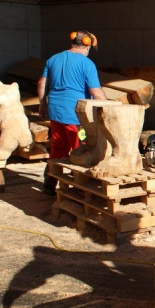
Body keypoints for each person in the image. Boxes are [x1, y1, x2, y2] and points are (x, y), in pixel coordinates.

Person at [37, 30, 106, 195]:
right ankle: (80, 188)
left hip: (55, 111)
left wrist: (42, 104)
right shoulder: (87, 63)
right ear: (87, 46)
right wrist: (108, 108)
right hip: (76, 115)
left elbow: (41, 83)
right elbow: (96, 93)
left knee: (58, 146)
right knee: (81, 150)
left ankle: (49, 183)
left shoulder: (53, 59)